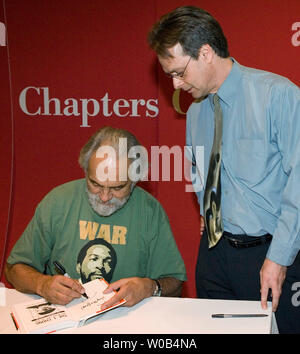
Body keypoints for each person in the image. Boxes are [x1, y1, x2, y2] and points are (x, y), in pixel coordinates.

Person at [148, 6, 300, 333]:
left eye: (178, 71)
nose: (174, 85)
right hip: (215, 254)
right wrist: (209, 214)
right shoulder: (196, 111)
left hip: (270, 255)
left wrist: (279, 257)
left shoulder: (277, 95)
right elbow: (203, 173)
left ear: (205, 53)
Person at [5, 126, 187, 310]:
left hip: (127, 321)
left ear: (135, 180)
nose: (105, 197)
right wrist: (41, 284)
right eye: (95, 184)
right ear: (85, 172)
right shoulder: (58, 201)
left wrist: (150, 287)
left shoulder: (150, 210)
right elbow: (13, 269)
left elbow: (175, 283)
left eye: (117, 188)